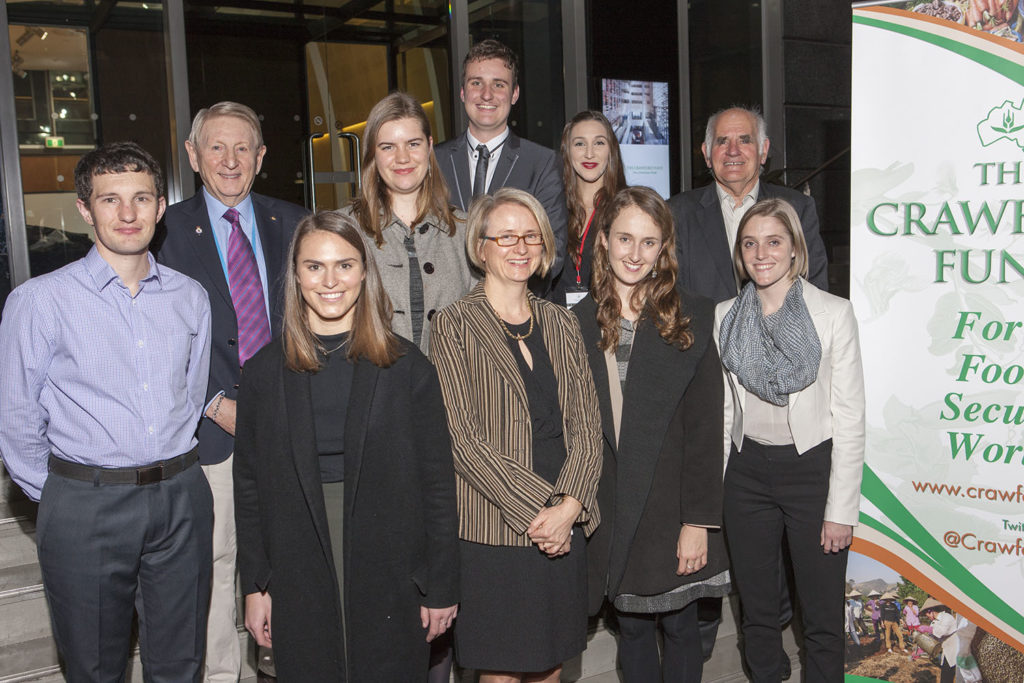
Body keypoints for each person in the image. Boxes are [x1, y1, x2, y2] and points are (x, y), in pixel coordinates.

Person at [0, 142, 213, 681]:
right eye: (109, 199)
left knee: (181, 664)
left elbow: (191, 396)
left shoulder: (190, 297)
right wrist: (64, 498)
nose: (127, 213)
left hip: (181, 498)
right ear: (84, 209)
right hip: (85, 504)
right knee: (94, 667)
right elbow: (17, 419)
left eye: (141, 198)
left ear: (160, 207)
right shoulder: (39, 301)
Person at [233, 211, 460, 680]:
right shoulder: (262, 374)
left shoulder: (408, 368)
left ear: (364, 272)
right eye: (314, 266)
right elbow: (249, 488)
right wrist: (256, 585)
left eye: (345, 265)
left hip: (391, 560)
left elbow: (437, 485)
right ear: (296, 275)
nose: (330, 281)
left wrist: (440, 584)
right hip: (297, 556)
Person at [157, 101, 307, 682]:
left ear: (261, 157)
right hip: (211, 434)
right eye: (215, 147)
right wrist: (214, 404)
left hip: (290, 425)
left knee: (293, 560)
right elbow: (157, 338)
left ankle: (288, 667)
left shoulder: (295, 223)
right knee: (217, 566)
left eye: (243, 147)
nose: (229, 160)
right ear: (193, 156)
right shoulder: (164, 232)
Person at [429, 188, 602, 682]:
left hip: (565, 518)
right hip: (495, 526)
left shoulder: (562, 322)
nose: (520, 247)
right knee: (501, 673)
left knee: (551, 668)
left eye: (530, 236)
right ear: (480, 248)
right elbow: (462, 440)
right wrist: (543, 510)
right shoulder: (454, 326)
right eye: (505, 236)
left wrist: (569, 507)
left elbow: (587, 427)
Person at [573, 187, 729, 682]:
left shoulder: (691, 315)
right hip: (613, 508)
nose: (635, 254)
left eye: (648, 241)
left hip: (671, 508)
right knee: (633, 632)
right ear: (603, 240)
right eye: (624, 238)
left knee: (681, 628)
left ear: (664, 248)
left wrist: (697, 521)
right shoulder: (576, 322)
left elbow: (705, 427)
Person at [715, 197, 865, 681]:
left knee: (820, 614)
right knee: (757, 609)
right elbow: (725, 411)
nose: (761, 254)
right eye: (750, 243)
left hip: (811, 472)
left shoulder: (833, 313)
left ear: (795, 248)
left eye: (773, 242)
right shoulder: (725, 316)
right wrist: (718, 484)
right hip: (746, 473)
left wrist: (840, 510)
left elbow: (850, 418)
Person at [342, 91, 475, 354]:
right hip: (371, 377)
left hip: (450, 378)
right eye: (388, 147)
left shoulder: (465, 228)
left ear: (429, 146)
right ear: (372, 154)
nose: (402, 158)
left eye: (413, 144)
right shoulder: (343, 230)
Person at [435, 39, 568, 291]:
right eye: (476, 83)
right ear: (462, 92)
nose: (486, 94)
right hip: (446, 306)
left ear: (514, 94)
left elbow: (553, 251)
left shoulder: (542, 163)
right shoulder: (434, 161)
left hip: (514, 307)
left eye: (498, 84)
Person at [668, 106, 828, 305]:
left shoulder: (797, 208)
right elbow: (668, 293)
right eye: (722, 141)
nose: (733, 151)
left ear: (763, 150)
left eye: (745, 140)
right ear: (707, 154)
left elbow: (815, 289)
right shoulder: (677, 213)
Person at [552, 110, 627, 308]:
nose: (589, 153)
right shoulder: (551, 207)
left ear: (611, 150)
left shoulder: (626, 209)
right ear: (567, 150)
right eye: (579, 144)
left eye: (599, 143)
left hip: (608, 319)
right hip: (554, 320)